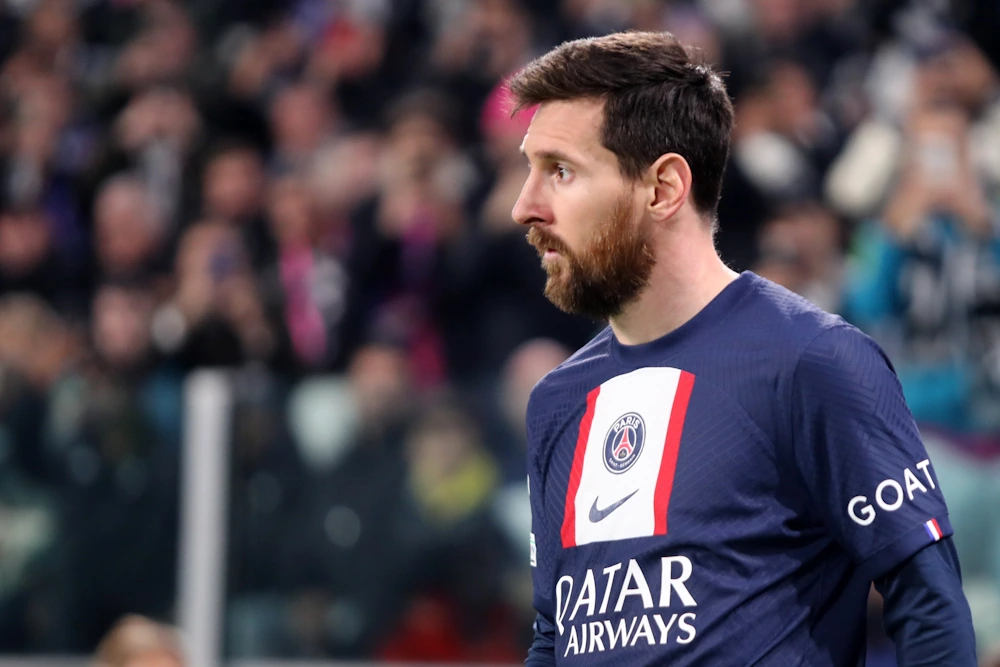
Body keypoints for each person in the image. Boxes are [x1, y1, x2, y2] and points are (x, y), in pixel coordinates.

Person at [508, 31, 976, 665]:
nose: (523, 207)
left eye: (559, 171)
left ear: (664, 188)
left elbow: (931, 611)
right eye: (528, 170)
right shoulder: (557, 402)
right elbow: (553, 635)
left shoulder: (812, 361)